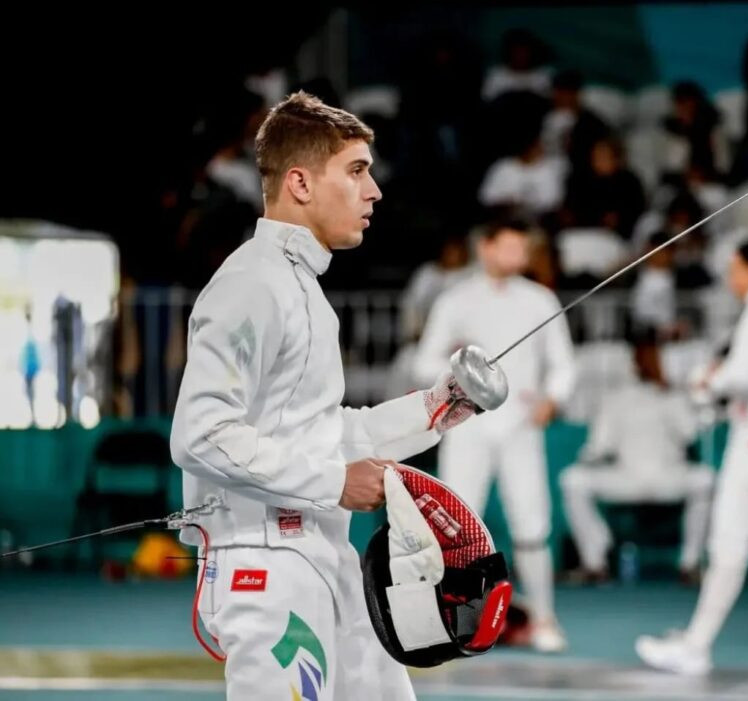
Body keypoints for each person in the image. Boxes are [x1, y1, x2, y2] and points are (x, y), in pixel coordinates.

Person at [170, 92, 481, 700]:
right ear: (300, 183)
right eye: (357, 171)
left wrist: (439, 408)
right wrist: (335, 483)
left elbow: (316, 431)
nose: (375, 192)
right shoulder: (251, 284)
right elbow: (201, 433)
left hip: (320, 550)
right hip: (267, 565)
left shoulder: (300, 287)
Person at [413, 219, 576, 652]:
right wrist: (456, 370)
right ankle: (450, 624)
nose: (516, 258)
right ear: (485, 247)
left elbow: (563, 364)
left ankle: (543, 619)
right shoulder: (455, 300)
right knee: (456, 529)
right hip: (467, 428)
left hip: (521, 427)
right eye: (507, 248)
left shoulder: (540, 300)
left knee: (532, 525)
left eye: (521, 249)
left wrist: (552, 399)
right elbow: (421, 362)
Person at [636, 239, 748, 675]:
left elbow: (744, 376)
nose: (731, 277)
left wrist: (707, 382)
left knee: (729, 543)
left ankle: (695, 647)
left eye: (736, 268)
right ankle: (696, 641)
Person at [559, 333, 714, 583]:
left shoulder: (671, 396)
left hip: (663, 478)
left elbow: (598, 448)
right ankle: (597, 560)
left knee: (704, 479)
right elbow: (599, 448)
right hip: (637, 478)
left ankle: (689, 562)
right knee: (572, 479)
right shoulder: (621, 398)